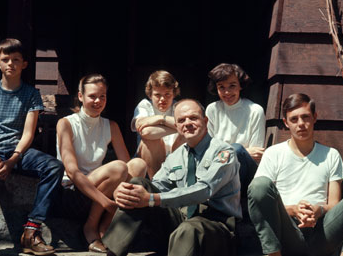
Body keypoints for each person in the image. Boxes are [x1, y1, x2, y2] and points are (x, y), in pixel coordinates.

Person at [102, 99, 242, 256]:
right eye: (181, 120)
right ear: (177, 126)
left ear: (205, 120)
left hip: (216, 225)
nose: (187, 123)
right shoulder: (176, 156)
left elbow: (204, 190)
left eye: (193, 118)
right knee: (138, 184)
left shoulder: (223, 152)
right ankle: (113, 253)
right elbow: (156, 185)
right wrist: (125, 191)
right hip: (181, 217)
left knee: (187, 229)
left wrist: (151, 199)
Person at [0, 38, 64, 256]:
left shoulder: (31, 94)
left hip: (20, 152)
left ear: (24, 64)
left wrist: (13, 159)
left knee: (54, 167)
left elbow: (29, 133)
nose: (10, 63)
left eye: (16, 60)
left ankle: (31, 231)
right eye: (6, 59)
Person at [248, 93, 343, 256]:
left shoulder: (331, 154)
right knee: (259, 185)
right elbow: (260, 198)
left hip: (323, 232)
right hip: (287, 232)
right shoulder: (273, 154)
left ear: (315, 118)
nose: (301, 124)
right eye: (294, 119)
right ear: (286, 123)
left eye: (306, 117)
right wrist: (294, 210)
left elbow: (334, 204)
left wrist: (318, 211)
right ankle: (273, 253)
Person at [56, 74, 147, 253]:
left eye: (102, 96)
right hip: (73, 191)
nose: (98, 101)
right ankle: (90, 228)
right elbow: (73, 172)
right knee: (118, 167)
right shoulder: (66, 123)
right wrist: (107, 203)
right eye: (92, 96)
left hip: (100, 189)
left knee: (138, 165)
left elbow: (129, 166)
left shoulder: (110, 125)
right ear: (81, 96)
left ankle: (105, 226)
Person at [206, 63, 266, 195]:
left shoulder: (255, 111)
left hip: (245, 172)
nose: (227, 92)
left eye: (232, 86)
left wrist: (230, 151)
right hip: (218, 169)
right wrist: (240, 152)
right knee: (236, 150)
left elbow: (256, 155)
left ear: (240, 85)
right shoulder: (212, 109)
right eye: (221, 87)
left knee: (238, 148)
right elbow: (207, 151)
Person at [131, 70, 184, 179]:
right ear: (150, 95)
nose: (162, 99)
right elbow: (145, 131)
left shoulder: (179, 107)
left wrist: (161, 119)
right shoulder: (144, 105)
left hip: (174, 156)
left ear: (174, 94)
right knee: (151, 139)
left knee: (185, 136)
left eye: (167, 94)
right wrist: (179, 127)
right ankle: (157, 185)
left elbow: (191, 127)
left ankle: (179, 181)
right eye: (157, 95)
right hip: (150, 160)